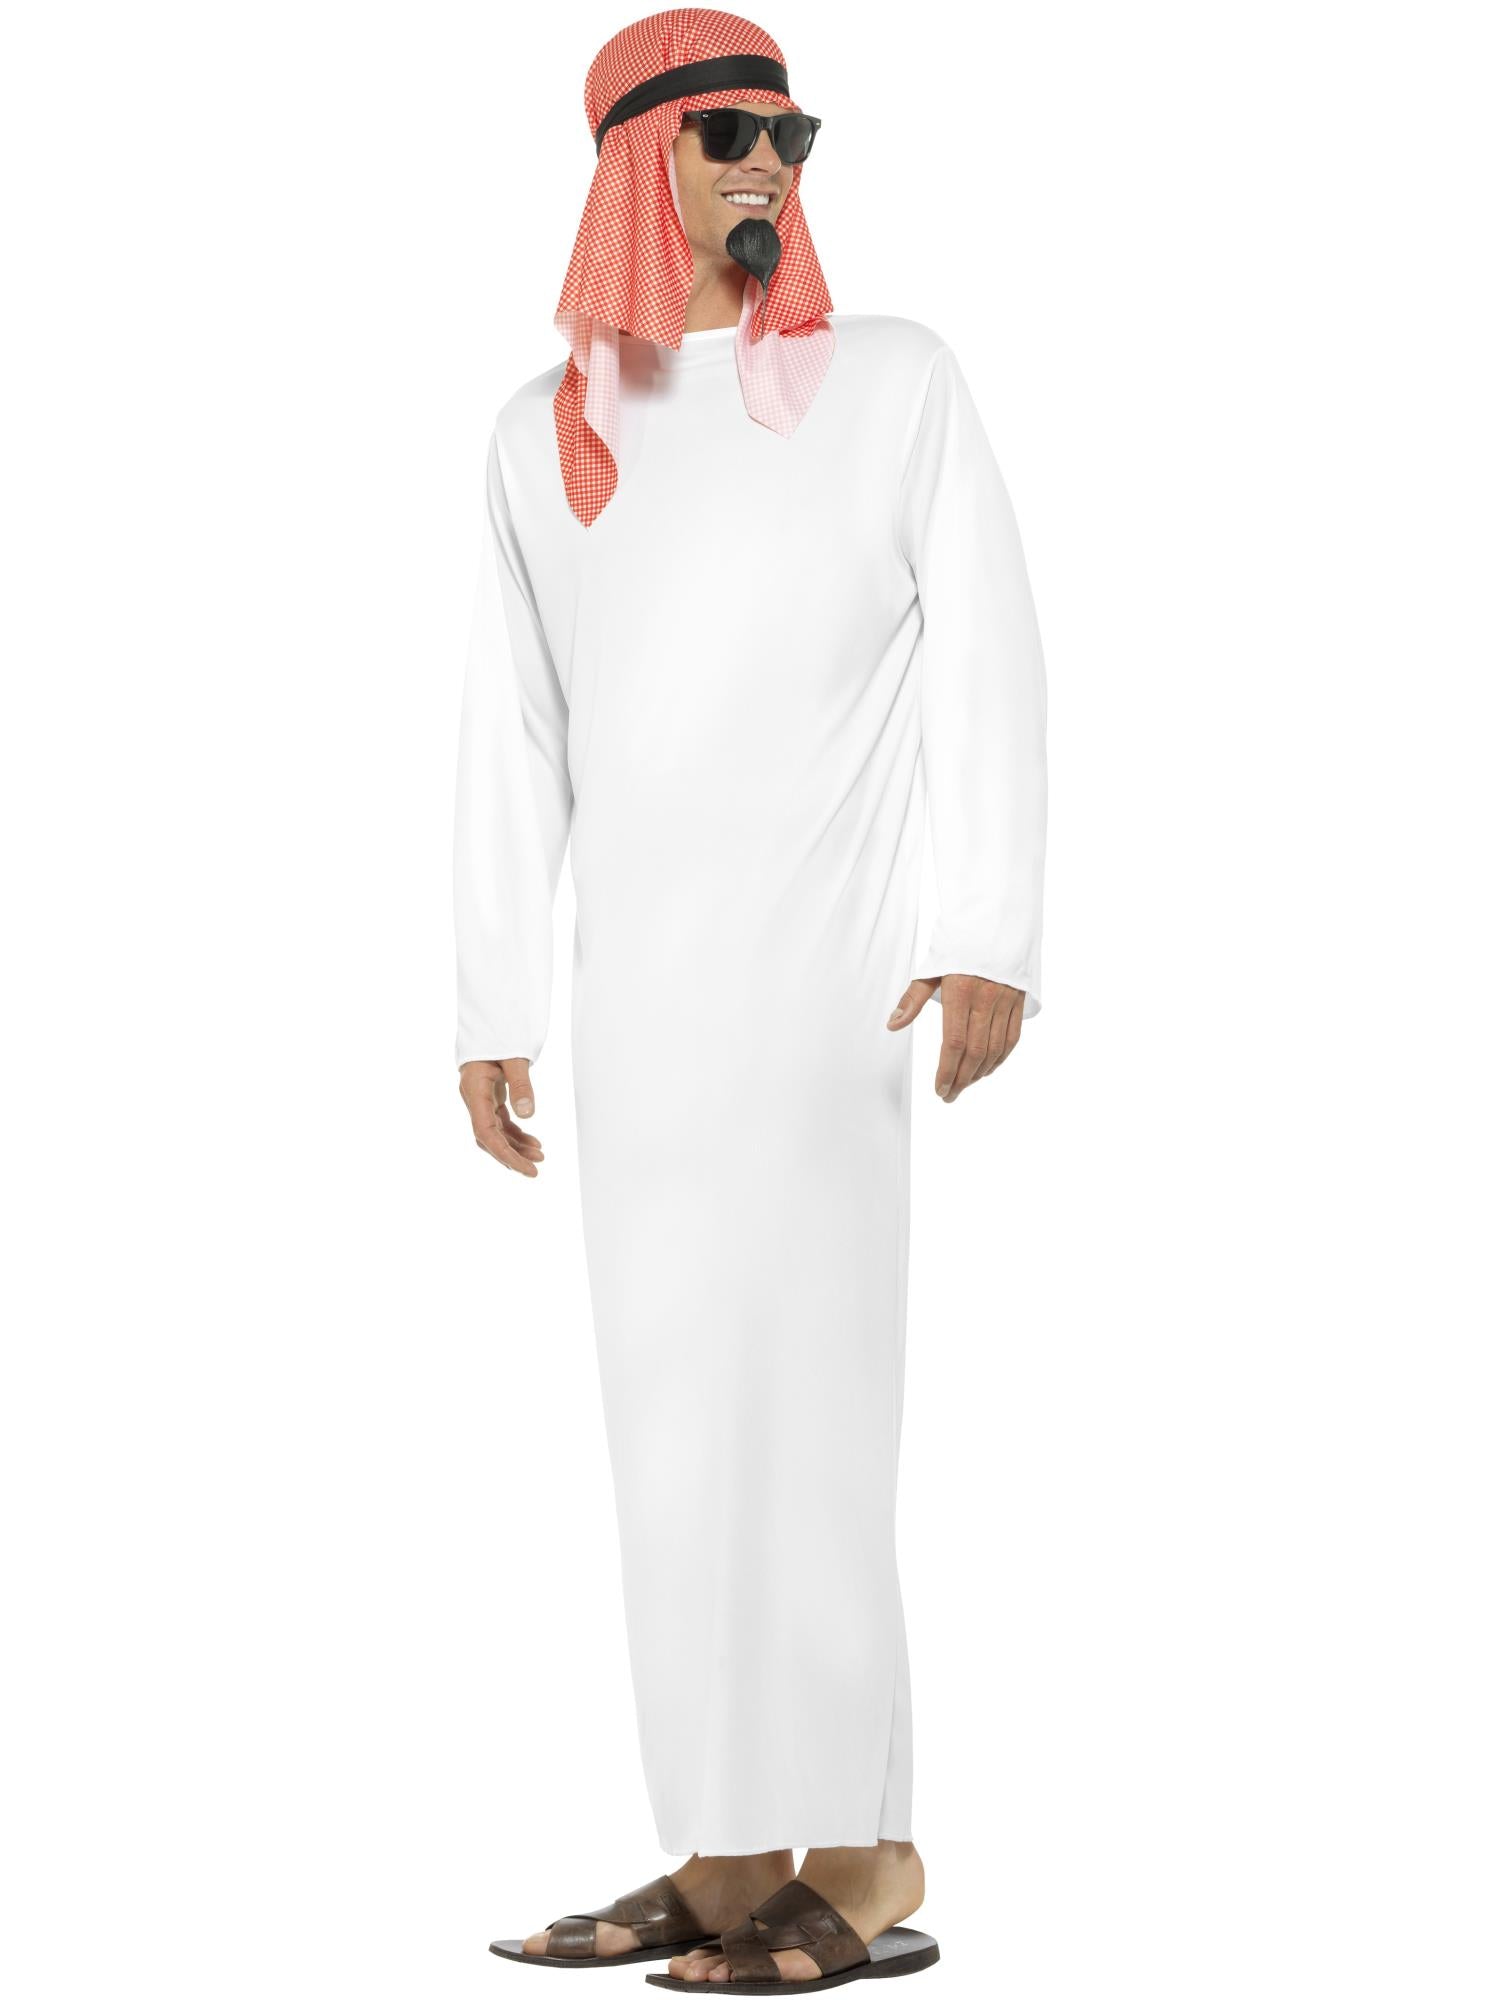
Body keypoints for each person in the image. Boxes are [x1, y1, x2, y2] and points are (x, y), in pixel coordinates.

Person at [453, 9, 1047, 1987]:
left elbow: (989, 646)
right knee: (671, 1427)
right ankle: (723, 1852)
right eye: (728, 133)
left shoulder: (890, 386)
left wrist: (989, 926)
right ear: (638, 163)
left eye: (790, 132)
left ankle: (865, 1853)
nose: (769, 165)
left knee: (814, 1408)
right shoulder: (548, 437)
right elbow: (512, 728)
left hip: (824, 1002)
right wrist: (490, 996)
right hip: (641, 1017)